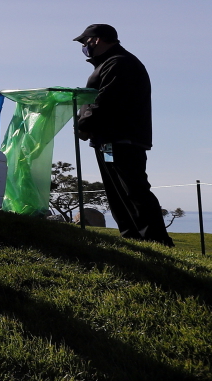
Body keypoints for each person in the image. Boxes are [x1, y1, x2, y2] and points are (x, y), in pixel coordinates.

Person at [73, 24, 170, 246]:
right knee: (116, 190)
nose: (84, 46)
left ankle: (156, 239)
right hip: (107, 141)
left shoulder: (120, 63)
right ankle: (132, 236)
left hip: (122, 139)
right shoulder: (109, 64)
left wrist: (85, 124)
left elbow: (106, 101)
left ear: (96, 40)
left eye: (84, 41)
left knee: (133, 188)